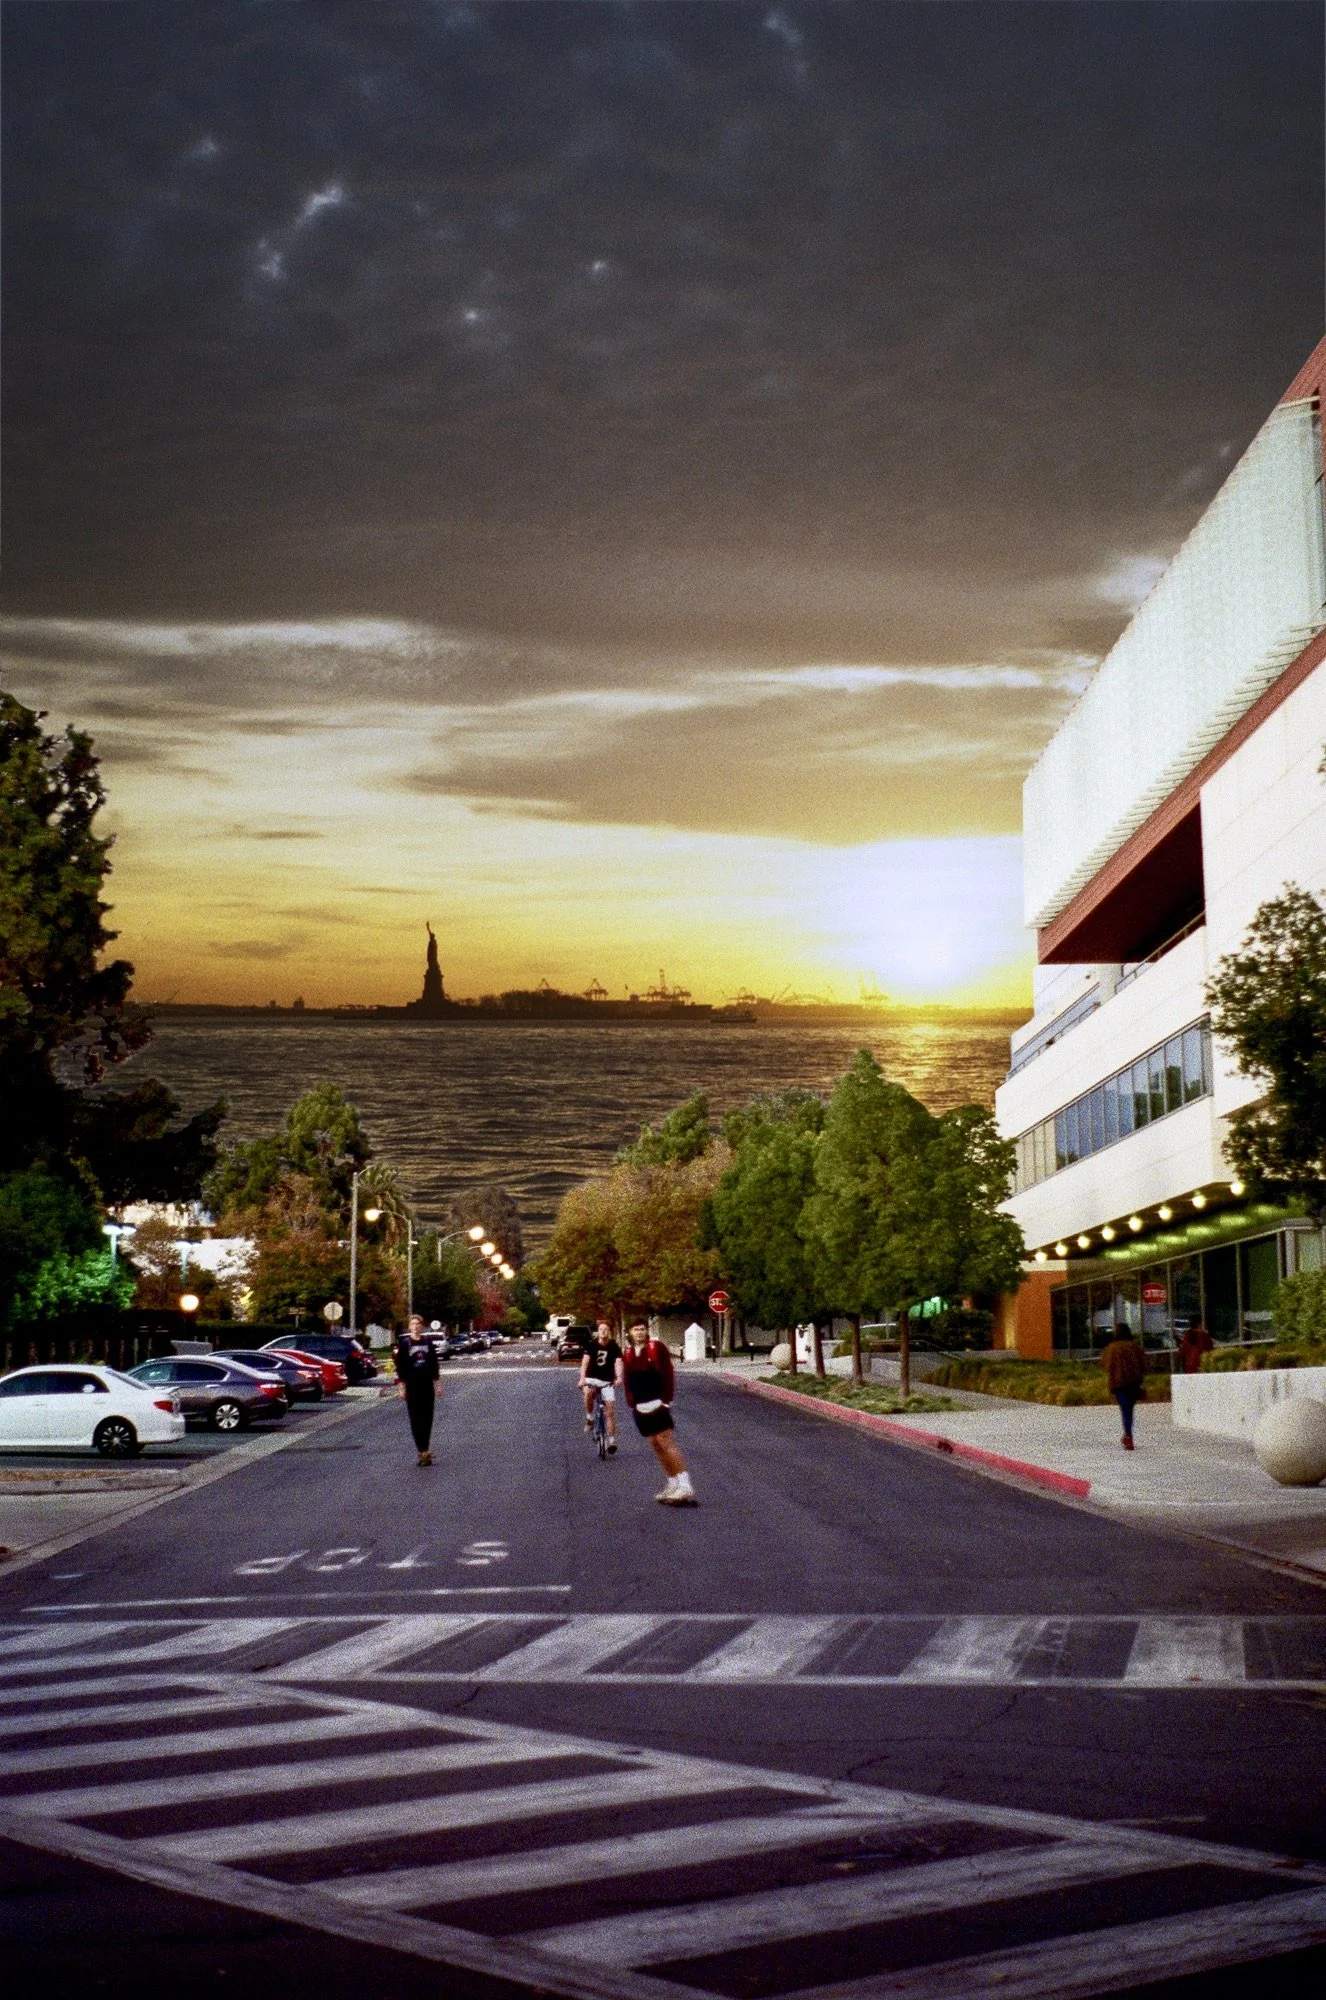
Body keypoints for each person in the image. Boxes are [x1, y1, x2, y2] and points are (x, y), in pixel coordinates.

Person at [621, 1319, 696, 1504]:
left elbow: (668, 1373)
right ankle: (672, 1483)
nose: (639, 1332)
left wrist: (666, 1400)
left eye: (642, 1329)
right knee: (655, 1444)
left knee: (666, 1442)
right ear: (629, 1332)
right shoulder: (629, 1353)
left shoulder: (656, 1348)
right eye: (635, 1329)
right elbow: (627, 1379)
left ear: (647, 1331)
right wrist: (631, 1401)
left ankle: (685, 1485)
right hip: (641, 1407)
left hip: (658, 1404)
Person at [394, 1313, 441, 1466]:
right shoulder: (405, 1344)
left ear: (422, 1326)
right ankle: (421, 1450)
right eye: (413, 1324)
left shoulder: (428, 1342)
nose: (415, 1326)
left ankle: (426, 1449)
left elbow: (434, 1364)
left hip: (427, 1385)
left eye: (418, 1324)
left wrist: (438, 1385)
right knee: (416, 1419)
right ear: (410, 1326)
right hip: (412, 1386)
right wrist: (402, 1388)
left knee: (427, 1418)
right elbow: (400, 1368)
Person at [578, 1319, 624, 1453]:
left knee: (609, 1411)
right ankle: (590, 1418)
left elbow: (618, 1363)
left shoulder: (614, 1347)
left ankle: (611, 1441)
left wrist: (619, 1377)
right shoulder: (591, 1345)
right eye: (601, 1329)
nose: (603, 1331)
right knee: (588, 1393)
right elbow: (585, 1363)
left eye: (606, 1329)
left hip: (607, 1381)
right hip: (591, 1378)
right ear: (597, 1331)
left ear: (609, 1332)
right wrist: (582, 1379)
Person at [1100, 1322, 1146, 1450]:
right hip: (1134, 1382)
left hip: (1119, 1384)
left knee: (1125, 1410)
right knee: (1129, 1411)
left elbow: (1105, 1365)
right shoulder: (1134, 1347)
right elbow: (1144, 1364)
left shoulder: (1111, 1348)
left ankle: (1128, 1436)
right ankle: (1127, 1435)